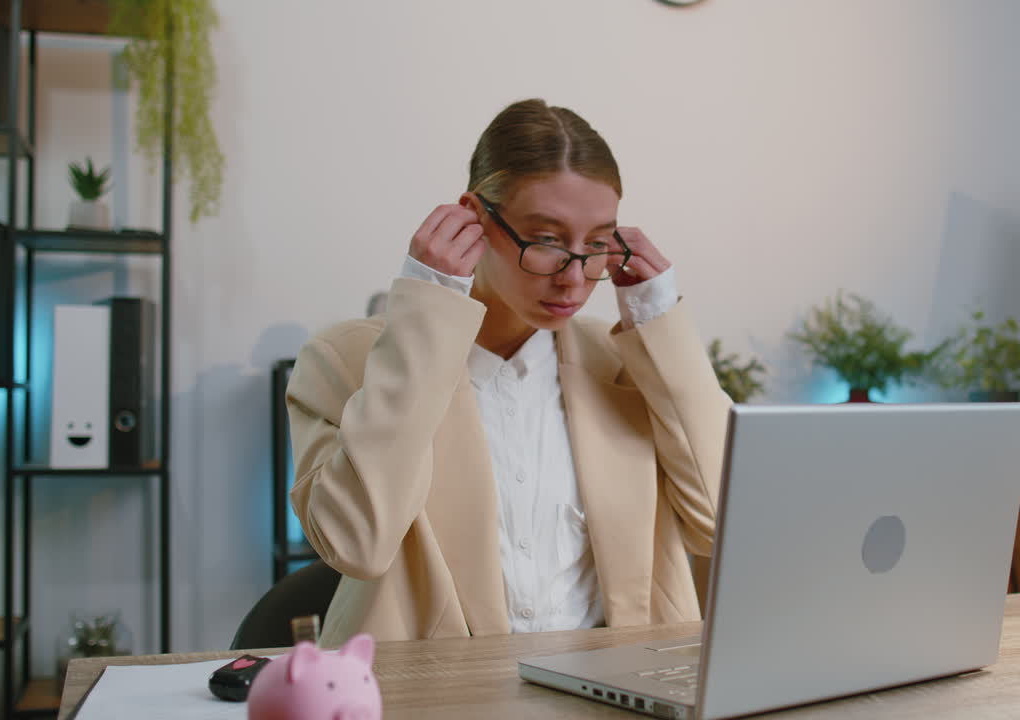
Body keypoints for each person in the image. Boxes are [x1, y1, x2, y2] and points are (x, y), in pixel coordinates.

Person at [286, 98, 731, 647]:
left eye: (596, 245)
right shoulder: (342, 361)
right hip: (438, 697)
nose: (574, 278)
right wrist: (429, 311)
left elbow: (720, 523)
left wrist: (660, 318)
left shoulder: (625, 363)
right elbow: (357, 543)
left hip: (619, 690)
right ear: (473, 216)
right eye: (546, 240)